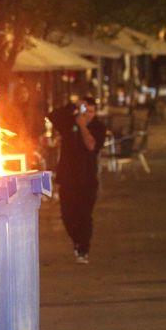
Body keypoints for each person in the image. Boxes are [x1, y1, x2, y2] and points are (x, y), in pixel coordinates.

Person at [48, 97, 107, 264]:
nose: (87, 114)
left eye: (91, 111)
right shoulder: (69, 124)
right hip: (68, 177)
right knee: (67, 215)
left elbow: (91, 146)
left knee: (84, 215)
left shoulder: (98, 127)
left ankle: (83, 248)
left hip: (87, 179)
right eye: (84, 110)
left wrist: (82, 126)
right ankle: (76, 240)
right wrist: (73, 105)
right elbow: (52, 115)